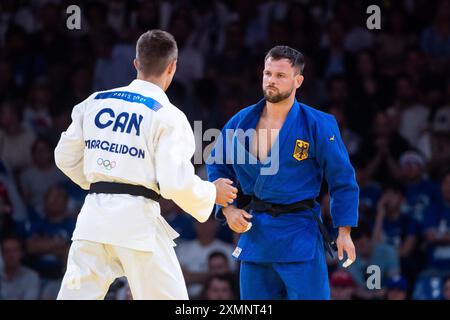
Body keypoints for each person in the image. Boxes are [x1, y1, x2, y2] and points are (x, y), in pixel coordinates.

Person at [55, 30, 237, 300]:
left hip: (93, 219)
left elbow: (64, 157)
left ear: (136, 63)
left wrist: (103, 180)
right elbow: (175, 183)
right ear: (173, 67)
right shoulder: (168, 116)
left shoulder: (95, 103)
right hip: (136, 225)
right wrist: (212, 193)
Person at [207, 46, 359, 299]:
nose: (271, 81)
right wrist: (228, 208)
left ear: (298, 80)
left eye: (280, 75)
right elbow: (217, 165)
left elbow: (342, 180)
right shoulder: (241, 121)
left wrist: (344, 231)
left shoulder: (318, 124)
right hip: (256, 233)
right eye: (267, 74)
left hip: (299, 233)